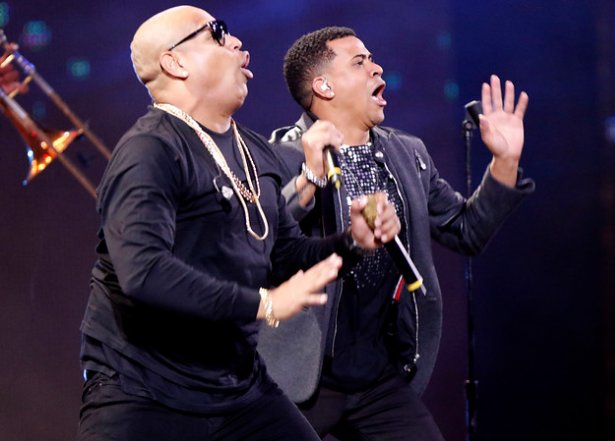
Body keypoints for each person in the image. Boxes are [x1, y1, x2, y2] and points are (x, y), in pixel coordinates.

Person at [76, 9, 400, 441]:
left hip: (236, 387)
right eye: (217, 34)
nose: (236, 43)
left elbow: (286, 255)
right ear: (175, 62)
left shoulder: (252, 150)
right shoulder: (149, 149)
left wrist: (353, 242)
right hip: (144, 391)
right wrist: (264, 304)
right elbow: (144, 272)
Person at [258, 26, 535, 440]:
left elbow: (467, 231)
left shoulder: (407, 154)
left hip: (376, 375)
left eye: (372, 59)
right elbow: (264, 237)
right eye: (360, 62)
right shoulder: (281, 154)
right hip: (302, 375)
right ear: (324, 86)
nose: (377, 68)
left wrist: (505, 163)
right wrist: (310, 177)